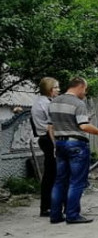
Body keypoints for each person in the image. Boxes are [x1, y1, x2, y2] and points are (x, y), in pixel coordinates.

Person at [48, 77, 98, 224]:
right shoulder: (78, 103)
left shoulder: (54, 102)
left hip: (60, 143)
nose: (86, 92)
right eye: (85, 89)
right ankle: (72, 215)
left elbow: (50, 126)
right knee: (76, 182)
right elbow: (83, 126)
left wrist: (55, 144)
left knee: (59, 181)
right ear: (81, 86)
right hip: (76, 145)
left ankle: (55, 215)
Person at [30, 77, 60, 217]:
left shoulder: (39, 102)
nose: (58, 90)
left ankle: (48, 205)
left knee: (51, 174)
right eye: (56, 87)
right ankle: (47, 207)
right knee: (52, 174)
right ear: (49, 89)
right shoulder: (47, 104)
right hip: (48, 138)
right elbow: (51, 126)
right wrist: (56, 145)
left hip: (44, 138)